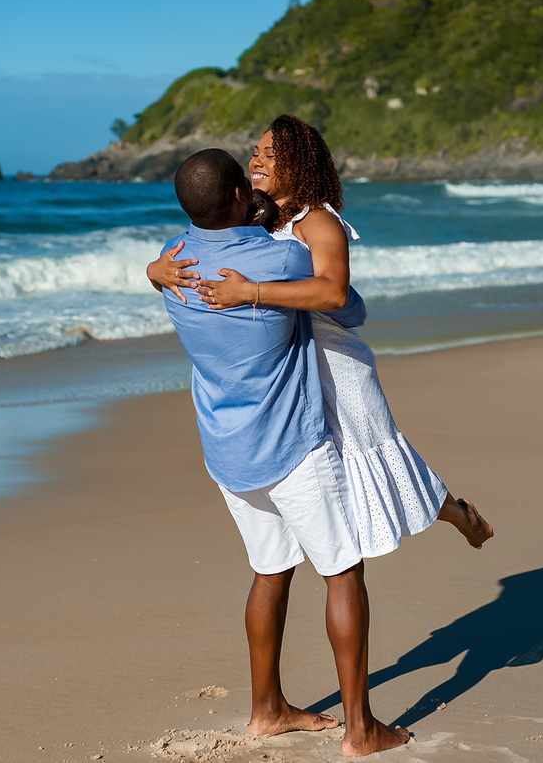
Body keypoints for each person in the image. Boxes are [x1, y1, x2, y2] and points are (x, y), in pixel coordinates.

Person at [148, 114, 492, 558]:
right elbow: (206, 262)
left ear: (299, 166)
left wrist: (249, 292)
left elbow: (334, 292)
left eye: (271, 156)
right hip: (284, 360)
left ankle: (456, 512)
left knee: (377, 457)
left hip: (331, 357)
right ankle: (340, 546)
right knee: (329, 474)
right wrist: (155, 271)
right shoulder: (254, 217)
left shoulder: (317, 222)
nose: (257, 162)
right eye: (255, 152)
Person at [160, 148, 409, 757]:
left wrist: (151, 271)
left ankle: (267, 709)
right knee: (342, 571)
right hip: (293, 445)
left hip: (226, 450)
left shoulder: (173, 262)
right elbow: (346, 304)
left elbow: (161, 261)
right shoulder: (283, 256)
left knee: (270, 572)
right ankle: (360, 729)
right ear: (241, 195)